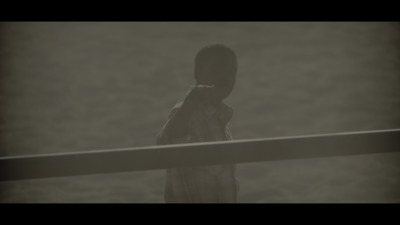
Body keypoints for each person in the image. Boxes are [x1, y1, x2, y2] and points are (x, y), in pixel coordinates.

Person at [156, 44, 239, 203]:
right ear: (197, 74)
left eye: (232, 72)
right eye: (216, 70)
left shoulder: (220, 116)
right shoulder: (186, 112)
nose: (225, 76)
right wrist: (189, 106)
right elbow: (166, 140)